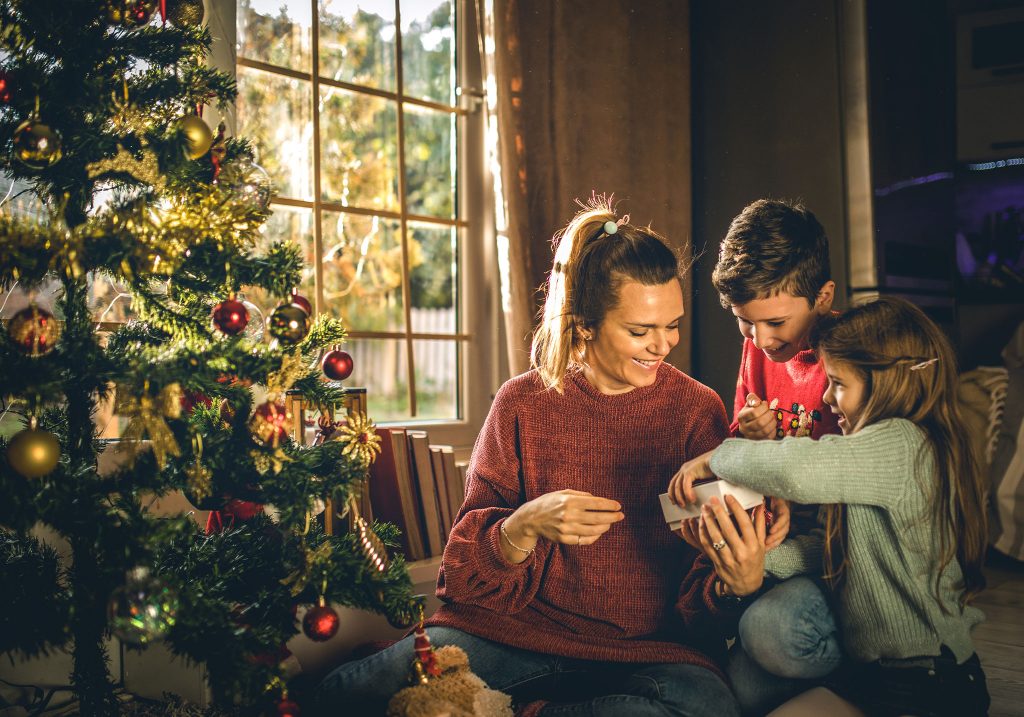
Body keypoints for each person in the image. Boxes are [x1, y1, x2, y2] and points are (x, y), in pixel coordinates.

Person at [313, 197, 744, 716]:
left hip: (647, 652)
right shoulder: (521, 403)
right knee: (342, 695)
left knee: (707, 707)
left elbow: (704, 584)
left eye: (671, 325)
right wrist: (523, 526)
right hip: (512, 635)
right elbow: (461, 576)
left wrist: (731, 580)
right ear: (584, 324)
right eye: (639, 331)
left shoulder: (697, 410)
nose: (663, 345)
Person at [668, 296, 991, 716]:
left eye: (838, 383)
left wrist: (716, 457)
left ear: (885, 382)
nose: (826, 396)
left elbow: (798, 469)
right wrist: (757, 559)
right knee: (744, 686)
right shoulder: (872, 456)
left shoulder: (903, 444)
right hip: (872, 675)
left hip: (927, 682)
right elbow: (829, 547)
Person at [708, 198, 843, 712]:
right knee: (739, 689)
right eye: (746, 323)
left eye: (777, 323)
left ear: (823, 297)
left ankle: (882, 675)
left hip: (837, 558)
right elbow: (740, 458)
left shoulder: (850, 356)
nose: (762, 341)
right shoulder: (758, 351)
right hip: (780, 550)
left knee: (772, 632)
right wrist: (746, 435)